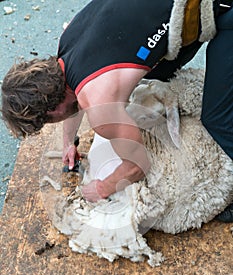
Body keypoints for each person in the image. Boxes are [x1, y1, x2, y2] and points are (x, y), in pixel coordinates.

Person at [1, 0, 232, 213]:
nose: (56, 122)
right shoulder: (67, 40)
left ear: (51, 111)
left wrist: (103, 187)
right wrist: (68, 143)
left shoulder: (101, 109)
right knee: (159, 72)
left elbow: (138, 166)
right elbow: (72, 97)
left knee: (218, 121)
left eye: (50, 120)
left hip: (224, 8)